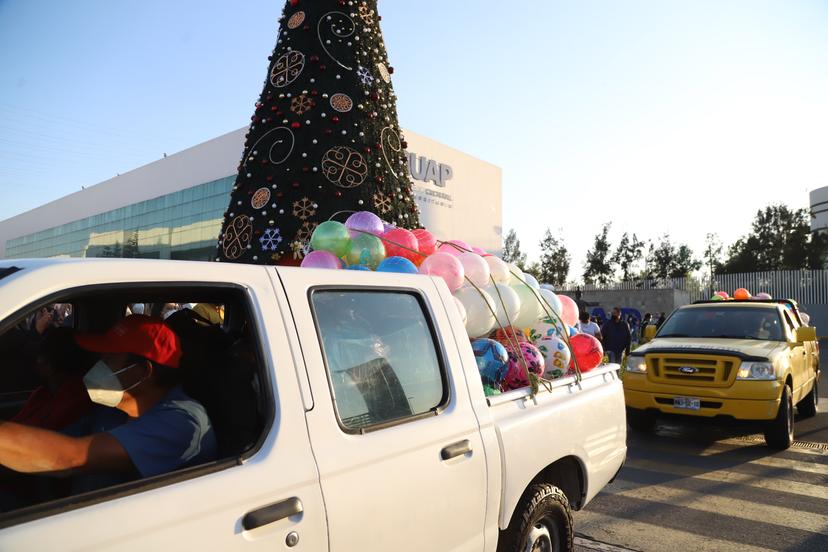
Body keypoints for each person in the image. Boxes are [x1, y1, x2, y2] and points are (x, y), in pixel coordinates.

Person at [0, 315, 216, 493]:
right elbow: (51, 445)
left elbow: (67, 456)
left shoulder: (183, 423)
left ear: (143, 371)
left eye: (109, 359)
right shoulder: (113, 410)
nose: (97, 366)